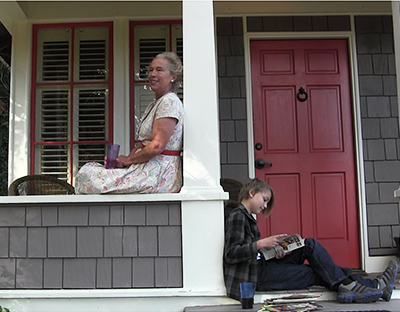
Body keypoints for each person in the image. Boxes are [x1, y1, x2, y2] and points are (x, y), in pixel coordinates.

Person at [223, 178, 398, 303]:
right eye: (265, 200)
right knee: (313, 272)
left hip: (262, 264)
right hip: (255, 276)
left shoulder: (247, 217)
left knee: (309, 244)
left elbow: (252, 252)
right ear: (252, 192)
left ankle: (354, 287)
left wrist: (275, 251)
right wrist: (262, 243)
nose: (265, 206)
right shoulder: (237, 216)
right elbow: (231, 254)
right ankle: (371, 285)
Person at [75, 52, 183, 194]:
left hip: (159, 173)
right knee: (89, 170)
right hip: (145, 168)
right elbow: (141, 144)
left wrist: (129, 160)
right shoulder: (155, 104)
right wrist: (123, 162)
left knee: (89, 176)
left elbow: (157, 145)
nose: (152, 74)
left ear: (173, 77)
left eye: (159, 70)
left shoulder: (169, 102)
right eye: (150, 70)